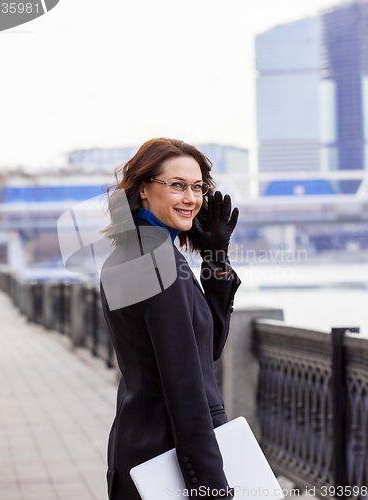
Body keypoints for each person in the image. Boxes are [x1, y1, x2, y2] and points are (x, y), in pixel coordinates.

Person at [99, 138, 241, 500]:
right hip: (168, 457)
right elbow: (185, 389)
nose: (191, 198)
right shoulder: (156, 259)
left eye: (198, 187)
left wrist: (216, 262)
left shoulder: (133, 251)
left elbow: (203, 349)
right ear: (144, 189)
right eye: (177, 185)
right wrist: (211, 488)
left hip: (142, 446)